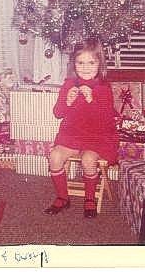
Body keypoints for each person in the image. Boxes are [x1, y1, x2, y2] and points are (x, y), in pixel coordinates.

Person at [44, 38, 118, 218]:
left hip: (97, 137)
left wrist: (92, 100)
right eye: (80, 62)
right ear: (74, 64)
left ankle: (90, 198)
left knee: (88, 160)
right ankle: (63, 197)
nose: (85, 67)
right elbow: (58, 113)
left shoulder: (103, 88)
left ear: (100, 63)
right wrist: (67, 101)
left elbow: (106, 120)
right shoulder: (69, 84)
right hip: (71, 135)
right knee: (54, 156)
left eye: (91, 62)